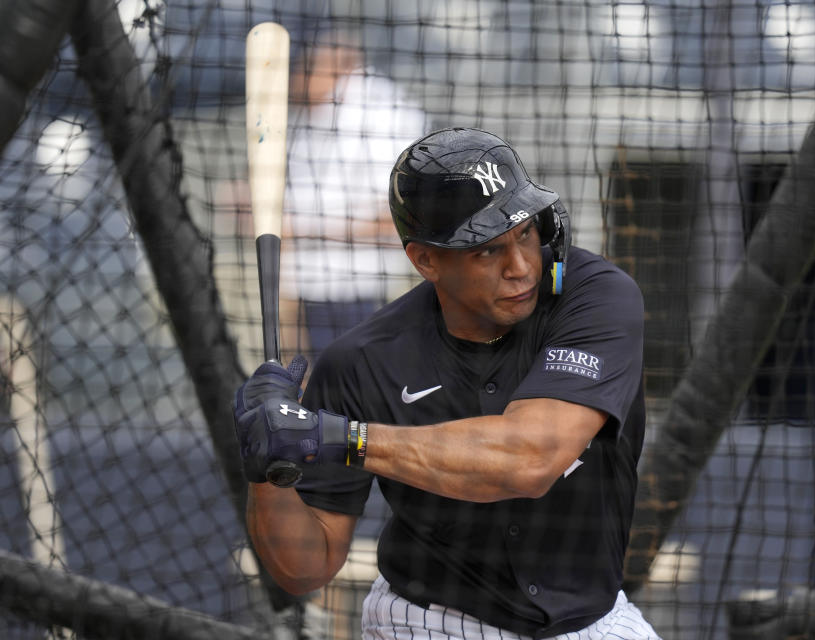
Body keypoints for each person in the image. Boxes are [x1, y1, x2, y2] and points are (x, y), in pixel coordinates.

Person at [233, 127, 660, 639]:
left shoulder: (594, 298)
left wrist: (343, 439)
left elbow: (531, 459)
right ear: (425, 259)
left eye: (525, 232)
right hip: (428, 623)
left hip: (594, 620)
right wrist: (267, 461)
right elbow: (305, 569)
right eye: (486, 251)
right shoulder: (363, 359)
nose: (521, 266)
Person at [278, 34, 427, 371]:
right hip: (304, 293)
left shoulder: (382, 112)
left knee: (351, 403)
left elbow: (394, 221)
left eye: (303, 70)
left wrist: (302, 228)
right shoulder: (311, 112)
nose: (295, 80)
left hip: (358, 297)